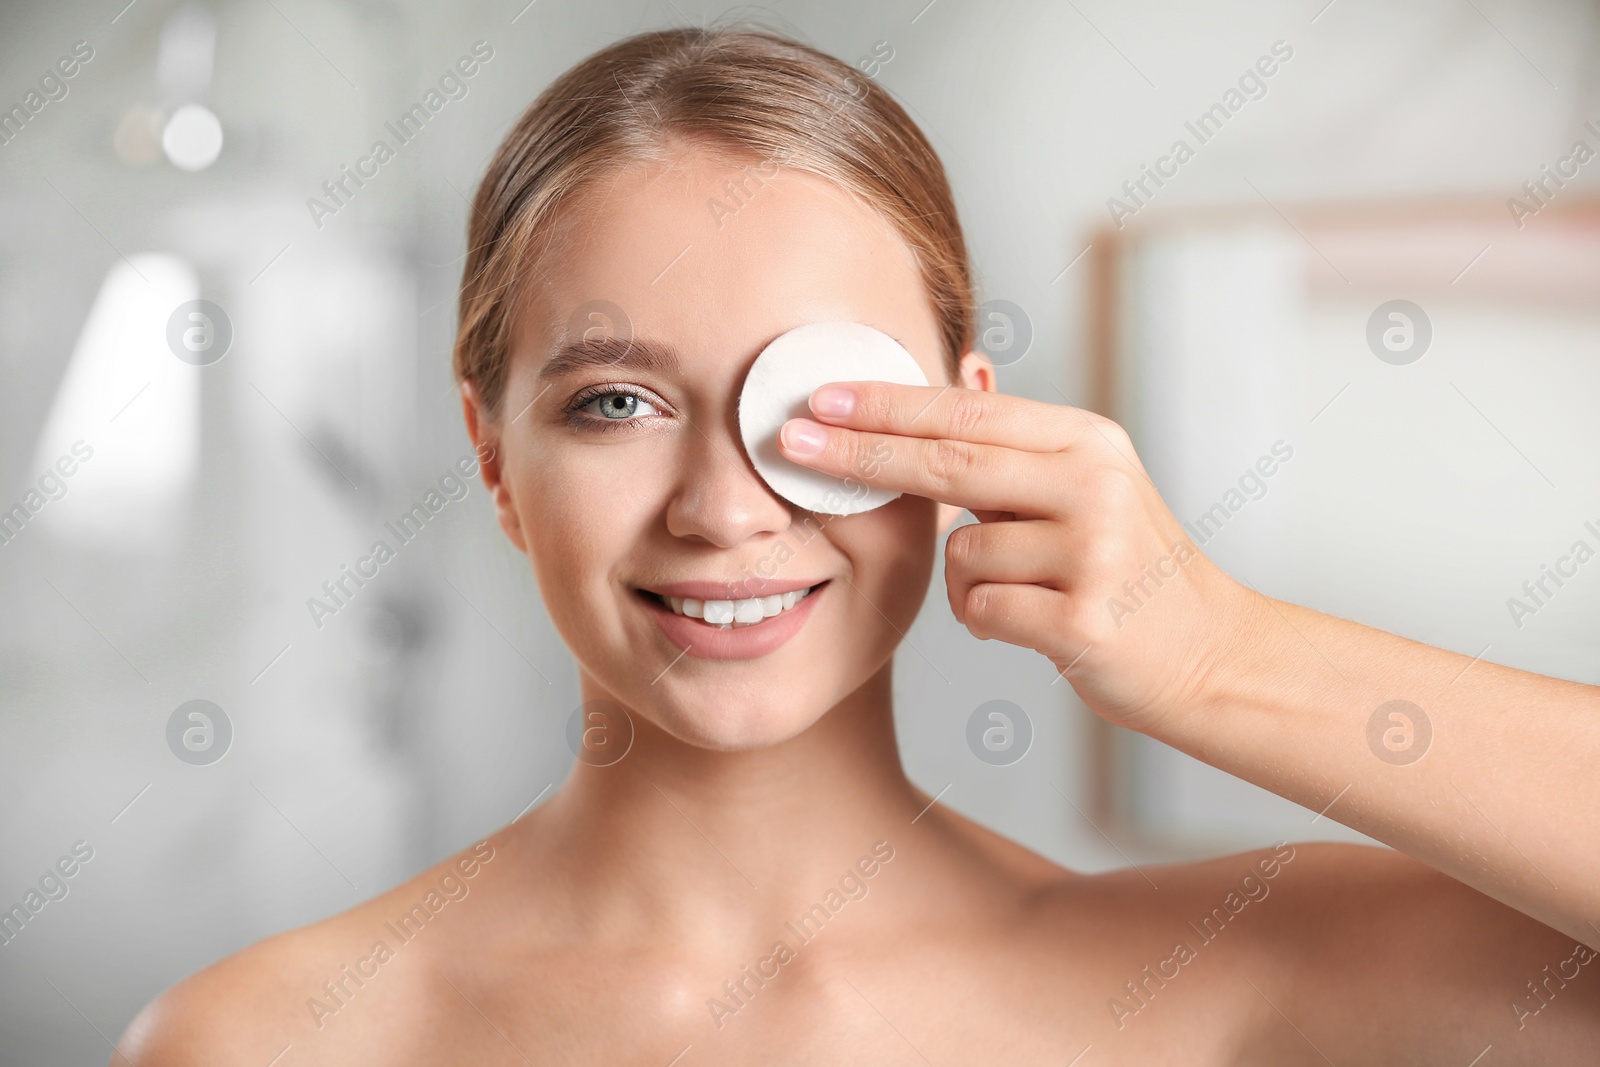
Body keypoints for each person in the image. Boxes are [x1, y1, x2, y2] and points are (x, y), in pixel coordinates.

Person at [116, 24, 1600, 1065]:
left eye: (810, 405)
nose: (721, 507)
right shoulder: (260, 1042)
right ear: (494, 458)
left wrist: (1218, 653)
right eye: (616, 400)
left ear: (962, 434)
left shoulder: (1224, 993)